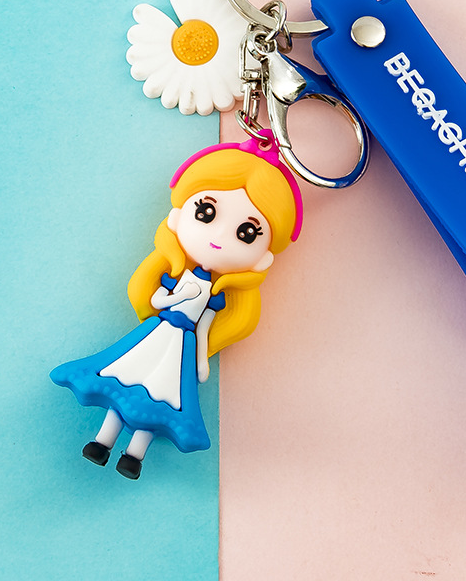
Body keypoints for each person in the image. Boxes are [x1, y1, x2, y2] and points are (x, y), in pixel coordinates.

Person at [51, 134, 302, 479]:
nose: (220, 236)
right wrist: (174, 300)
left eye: (246, 233)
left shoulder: (217, 295)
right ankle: (102, 441)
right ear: (177, 217)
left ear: (263, 259)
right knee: (126, 377)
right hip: (159, 332)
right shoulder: (176, 277)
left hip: (182, 346)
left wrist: (201, 359)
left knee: (162, 393)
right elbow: (156, 300)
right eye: (206, 212)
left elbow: (205, 327)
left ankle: (134, 455)